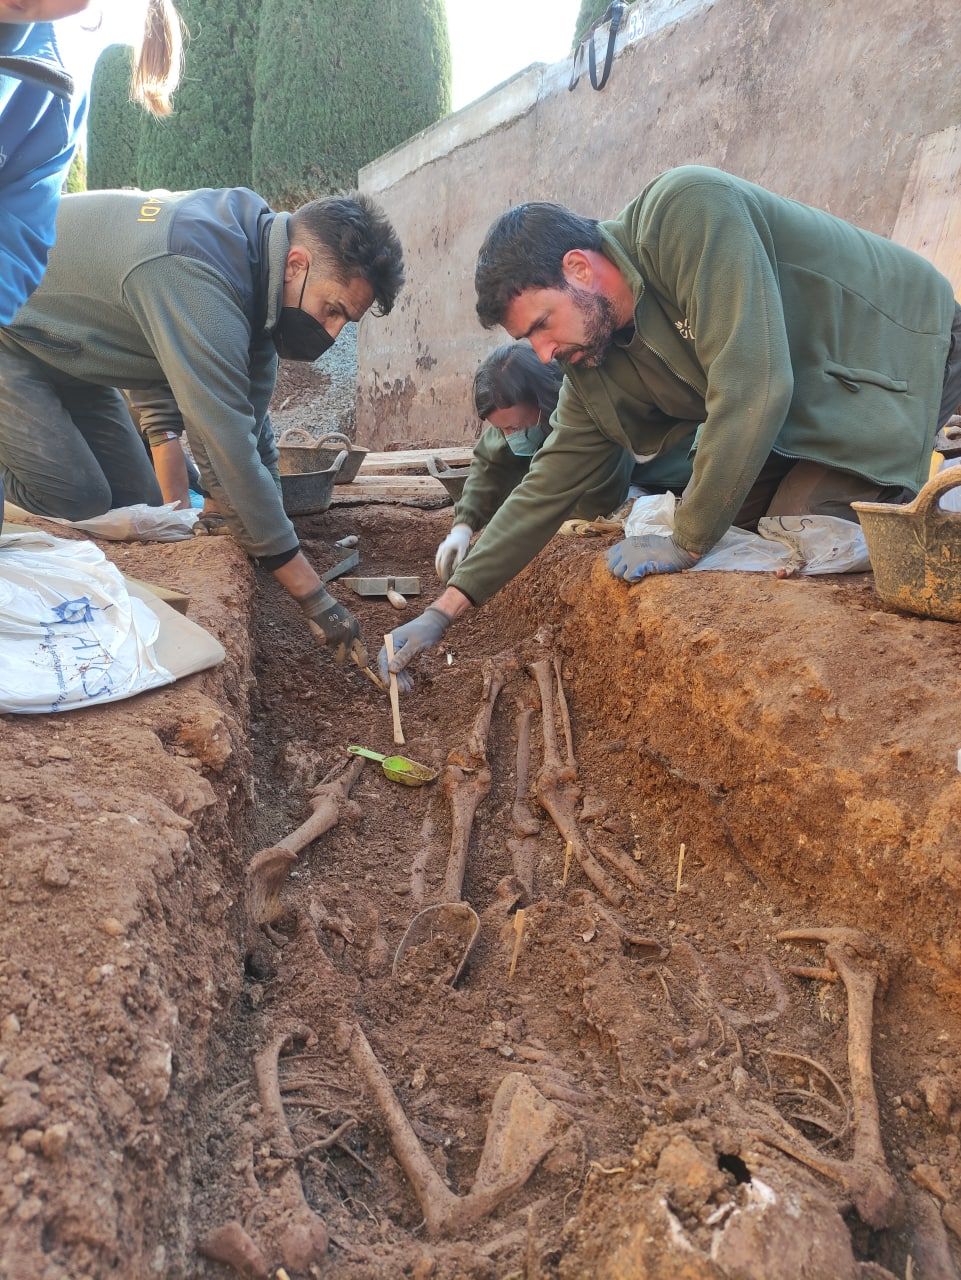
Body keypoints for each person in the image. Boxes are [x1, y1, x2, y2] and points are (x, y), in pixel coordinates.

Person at [380, 164, 961, 690]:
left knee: (801, 524)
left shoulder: (687, 212)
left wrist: (686, 541)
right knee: (737, 522)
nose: (544, 351)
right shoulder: (593, 362)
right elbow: (548, 484)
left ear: (578, 268)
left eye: (542, 325)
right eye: (528, 341)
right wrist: (444, 610)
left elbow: (753, 386)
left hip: (893, 350)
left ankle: (915, 486)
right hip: (798, 399)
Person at [0, 185, 405, 663]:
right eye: (332, 309)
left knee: (139, 502)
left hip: (65, 352)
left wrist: (232, 518)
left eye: (345, 322)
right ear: (297, 264)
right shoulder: (197, 272)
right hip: (11, 332)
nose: (331, 333)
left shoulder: (255, 270)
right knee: (76, 498)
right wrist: (314, 598)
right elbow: (224, 446)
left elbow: (252, 427)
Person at [0, 0, 183, 530]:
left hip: (54, 345)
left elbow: (18, 234)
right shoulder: (181, 266)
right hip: (20, 340)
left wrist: (175, 515)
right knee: (76, 500)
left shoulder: (46, 92)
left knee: (134, 500)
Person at [435, 341, 689, 582]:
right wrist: (463, 526)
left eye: (513, 427)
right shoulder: (513, 412)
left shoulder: (591, 409)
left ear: (542, 400)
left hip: (665, 470)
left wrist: (508, 533)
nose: (508, 436)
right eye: (502, 429)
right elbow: (487, 463)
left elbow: (595, 499)